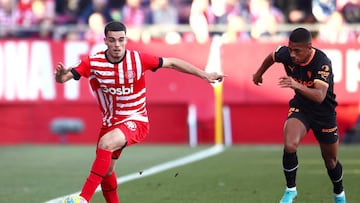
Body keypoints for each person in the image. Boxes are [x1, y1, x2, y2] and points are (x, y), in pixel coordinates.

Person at [54, 21, 224, 203]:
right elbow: (64, 78)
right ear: (105, 41)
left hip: (136, 119)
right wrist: (60, 74)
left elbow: (173, 63)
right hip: (110, 122)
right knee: (106, 171)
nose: (117, 45)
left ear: (126, 40)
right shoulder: (93, 62)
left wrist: (205, 75)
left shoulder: (138, 60)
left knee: (106, 143)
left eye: (121, 40)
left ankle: (83, 199)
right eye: (112, 40)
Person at [252, 27, 346, 203]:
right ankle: (290, 190)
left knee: (331, 161)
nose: (292, 55)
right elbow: (272, 56)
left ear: (309, 48)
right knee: (290, 144)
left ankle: (339, 193)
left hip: (324, 114)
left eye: (297, 51)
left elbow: (319, 96)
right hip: (301, 108)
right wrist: (259, 73)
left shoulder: (322, 62)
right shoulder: (286, 54)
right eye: (290, 49)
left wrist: (296, 85)